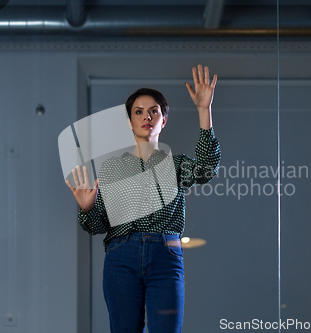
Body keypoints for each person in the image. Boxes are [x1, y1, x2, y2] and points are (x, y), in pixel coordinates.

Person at [65, 64, 221, 333]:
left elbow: (206, 168)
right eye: (138, 112)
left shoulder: (176, 165)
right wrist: (86, 209)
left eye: (154, 111)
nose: (146, 116)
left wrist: (204, 110)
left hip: (165, 255)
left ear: (164, 119)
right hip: (121, 257)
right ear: (129, 121)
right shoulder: (112, 169)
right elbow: (96, 226)